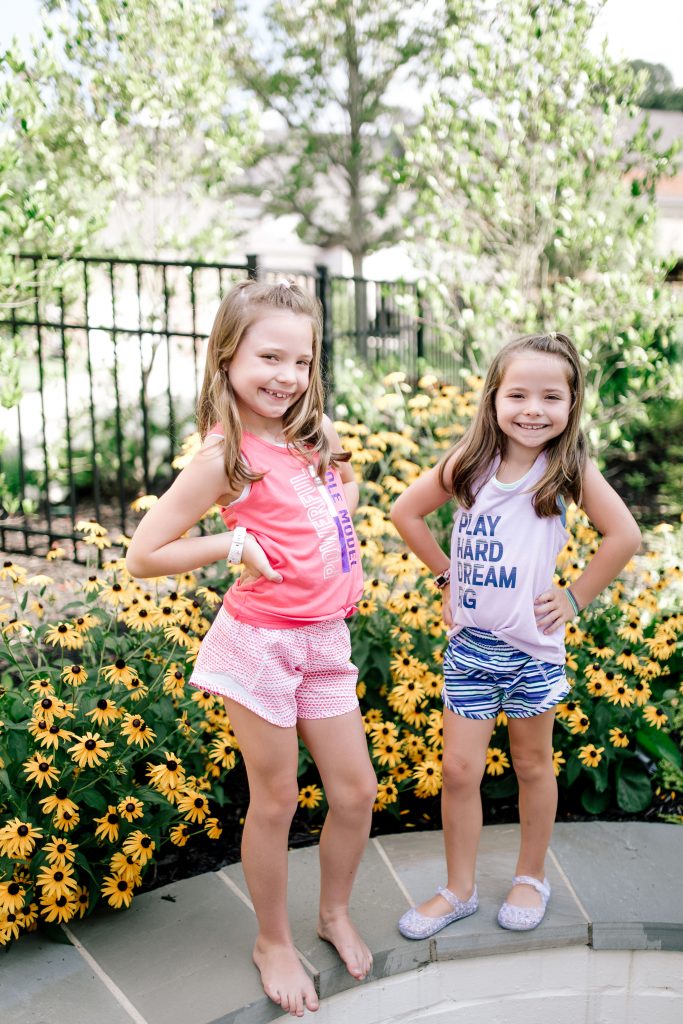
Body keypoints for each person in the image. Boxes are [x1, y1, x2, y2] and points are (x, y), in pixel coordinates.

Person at [126, 279, 376, 1017]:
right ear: (228, 354)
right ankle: (272, 939)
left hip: (323, 640)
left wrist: (337, 497)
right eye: (270, 356)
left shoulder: (305, 435)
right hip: (262, 646)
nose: (286, 376)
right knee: (274, 801)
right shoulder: (222, 456)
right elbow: (143, 554)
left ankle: (331, 913)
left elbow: (337, 493)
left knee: (355, 792)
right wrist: (232, 542)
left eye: (300, 362)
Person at [390, 332, 641, 938]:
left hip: (534, 651)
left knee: (532, 765)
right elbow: (405, 512)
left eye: (551, 396)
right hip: (472, 650)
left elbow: (625, 536)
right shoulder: (469, 465)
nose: (534, 409)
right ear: (494, 398)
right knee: (458, 771)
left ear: (572, 403)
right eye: (519, 394)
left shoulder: (567, 469)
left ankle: (531, 876)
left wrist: (575, 596)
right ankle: (459, 888)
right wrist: (447, 575)